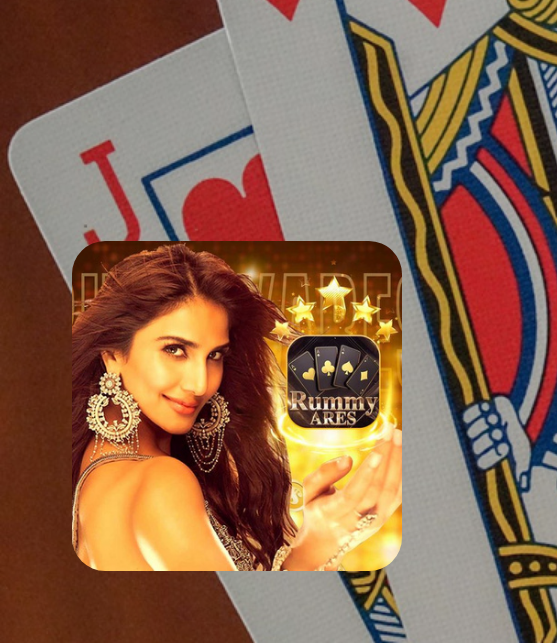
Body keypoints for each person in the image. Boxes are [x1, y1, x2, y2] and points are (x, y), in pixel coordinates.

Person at [71, 244, 401, 570]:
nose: (200, 384)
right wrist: (322, 541)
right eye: (175, 350)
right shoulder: (162, 481)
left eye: (215, 355)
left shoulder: (98, 473)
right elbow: (243, 606)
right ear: (112, 354)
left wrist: (310, 534)